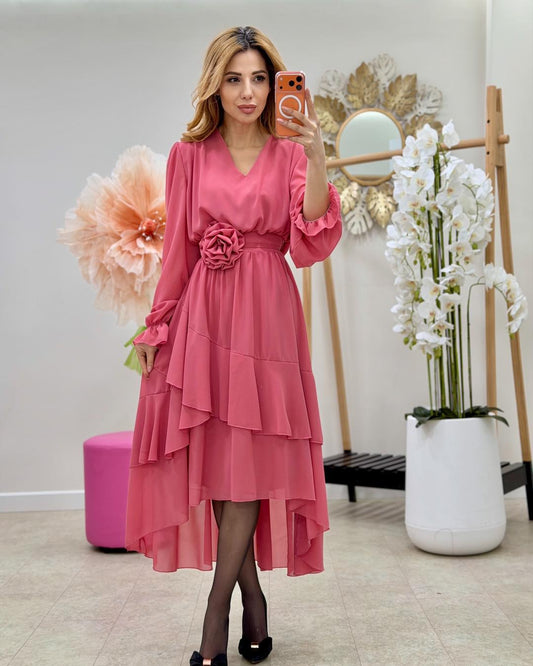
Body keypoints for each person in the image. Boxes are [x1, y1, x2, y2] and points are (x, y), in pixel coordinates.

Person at [125, 25, 342, 666]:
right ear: (214, 87)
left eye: (259, 79)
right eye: (234, 78)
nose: (248, 92)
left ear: (275, 86)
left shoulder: (290, 152)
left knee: (247, 459)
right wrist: (157, 325)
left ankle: (216, 611)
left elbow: (311, 236)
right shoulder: (187, 155)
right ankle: (252, 596)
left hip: (267, 316)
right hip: (205, 315)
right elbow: (176, 253)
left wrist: (319, 156)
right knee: (222, 460)